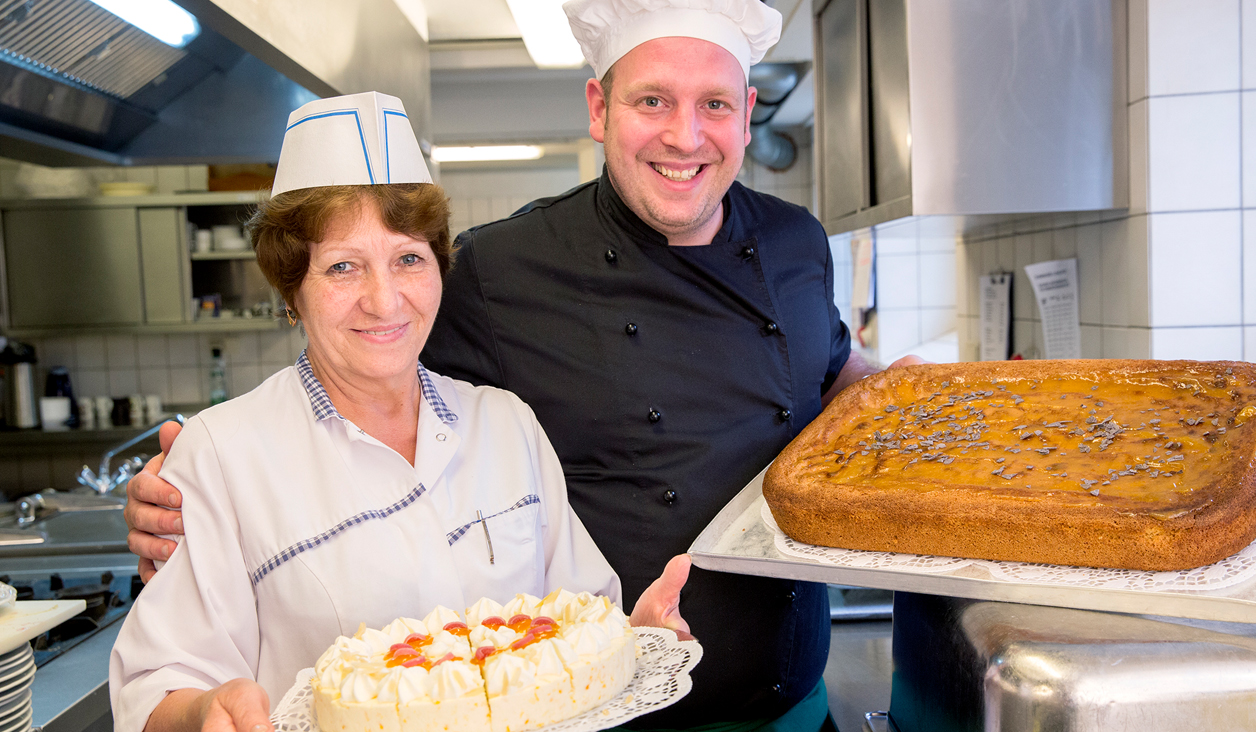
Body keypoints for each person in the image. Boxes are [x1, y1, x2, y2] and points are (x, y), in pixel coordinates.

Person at [124, 2, 919, 729]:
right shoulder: (502, 271)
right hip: (630, 716)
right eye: (651, 100)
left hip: (787, 697)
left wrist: (913, 402)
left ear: (746, 116)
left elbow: (831, 368)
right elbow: (361, 376)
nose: (685, 135)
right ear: (599, 109)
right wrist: (193, 485)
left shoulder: (797, 239)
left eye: (713, 102)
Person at [109, 92, 690, 732]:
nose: (384, 301)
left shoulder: (505, 423)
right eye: (342, 267)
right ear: (291, 287)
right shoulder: (223, 454)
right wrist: (201, 715)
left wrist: (632, 639)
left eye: (409, 258)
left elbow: (580, 619)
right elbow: (157, 684)